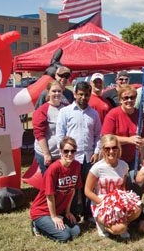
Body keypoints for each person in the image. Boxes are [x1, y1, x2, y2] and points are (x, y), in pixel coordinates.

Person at [56, 81, 102, 220]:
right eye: (80, 94)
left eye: (86, 95)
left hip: (88, 157)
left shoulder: (94, 114)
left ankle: (89, 214)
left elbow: (98, 135)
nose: (83, 97)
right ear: (75, 94)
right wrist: (64, 155)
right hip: (71, 157)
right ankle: (73, 214)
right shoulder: (65, 112)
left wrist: (96, 152)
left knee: (88, 187)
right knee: (72, 188)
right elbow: (60, 134)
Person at [84, 135, 143, 239]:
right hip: (101, 204)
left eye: (114, 147)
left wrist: (125, 203)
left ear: (118, 148)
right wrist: (104, 203)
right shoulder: (97, 167)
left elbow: (122, 188)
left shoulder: (124, 165)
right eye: (107, 148)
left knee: (137, 209)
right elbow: (87, 191)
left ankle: (120, 222)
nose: (111, 151)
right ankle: (102, 224)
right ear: (103, 149)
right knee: (119, 229)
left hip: (117, 203)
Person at [30, 137, 81, 243]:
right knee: (65, 237)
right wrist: (53, 217)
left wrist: (67, 212)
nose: (70, 154)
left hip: (58, 210)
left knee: (76, 231)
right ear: (61, 151)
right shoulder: (53, 169)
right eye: (66, 151)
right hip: (42, 211)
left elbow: (72, 190)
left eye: (73, 151)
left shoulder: (76, 166)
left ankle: (52, 223)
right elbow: (49, 195)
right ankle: (37, 224)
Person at [102, 84, 144, 196]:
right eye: (125, 98)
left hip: (133, 159)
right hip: (115, 158)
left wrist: (143, 141)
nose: (129, 100)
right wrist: (129, 140)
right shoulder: (113, 114)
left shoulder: (139, 114)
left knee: (138, 182)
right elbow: (106, 137)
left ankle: (134, 208)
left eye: (132, 97)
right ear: (120, 100)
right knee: (119, 184)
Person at [33, 81, 66, 175]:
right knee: (49, 183)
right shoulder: (42, 110)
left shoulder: (67, 108)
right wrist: (46, 154)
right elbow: (39, 134)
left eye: (59, 91)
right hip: (48, 154)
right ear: (48, 92)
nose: (57, 94)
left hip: (63, 155)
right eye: (54, 91)